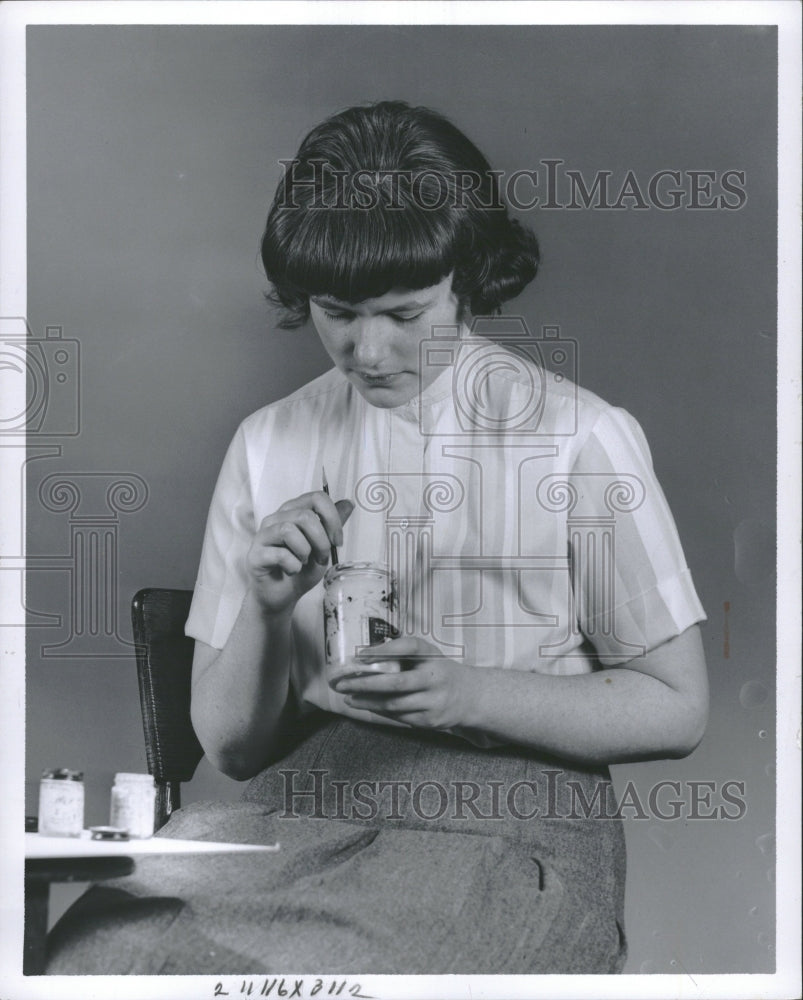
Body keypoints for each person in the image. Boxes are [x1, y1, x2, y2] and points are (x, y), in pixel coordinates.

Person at [47, 101, 708, 975]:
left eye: (404, 311)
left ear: (465, 275)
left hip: (508, 816)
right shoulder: (269, 441)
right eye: (337, 311)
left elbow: (676, 705)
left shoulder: (577, 437)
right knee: (90, 964)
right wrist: (268, 606)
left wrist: (465, 693)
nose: (367, 350)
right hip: (289, 808)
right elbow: (233, 748)